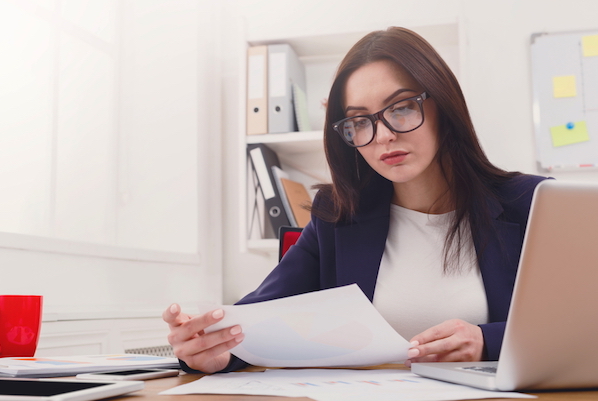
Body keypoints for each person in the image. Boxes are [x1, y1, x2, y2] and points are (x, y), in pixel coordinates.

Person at [163, 27, 548, 374]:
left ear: (442, 107)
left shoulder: (533, 204)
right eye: (360, 121)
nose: (382, 136)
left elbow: (581, 325)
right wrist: (213, 353)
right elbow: (255, 320)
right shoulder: (337, 217)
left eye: (400, 108)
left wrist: (487, 342)